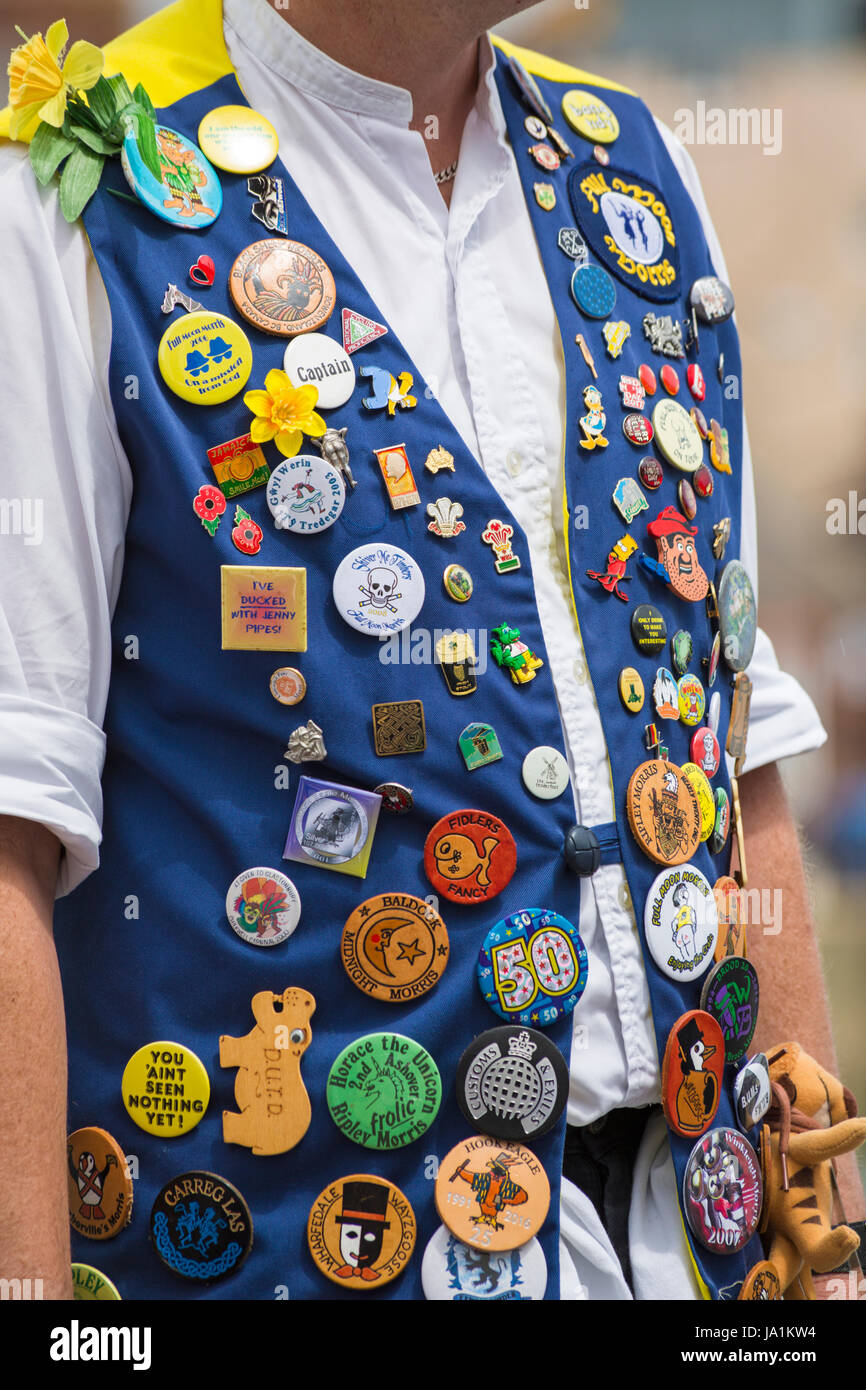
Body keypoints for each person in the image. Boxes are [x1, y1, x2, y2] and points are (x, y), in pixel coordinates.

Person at [0, 0, 859, 1301]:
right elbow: (11, 807)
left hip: (689, 1254)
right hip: (287, 1252)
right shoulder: (76, 186)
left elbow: (733, 749)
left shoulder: (635, 167)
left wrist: (820, 1252)